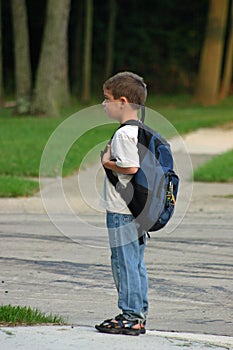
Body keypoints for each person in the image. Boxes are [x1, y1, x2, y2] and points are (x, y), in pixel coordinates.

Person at [95, 72, 148, 336]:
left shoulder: (124, 135)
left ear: (123, 101)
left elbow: (130, 167)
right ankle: (138, 313)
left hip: (122, 211)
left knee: (124, 263)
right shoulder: (140, 131)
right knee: (135, 263)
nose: (104, 104)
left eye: (107, 99)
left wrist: (107, 162)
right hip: (136, 211)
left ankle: (130, 316)